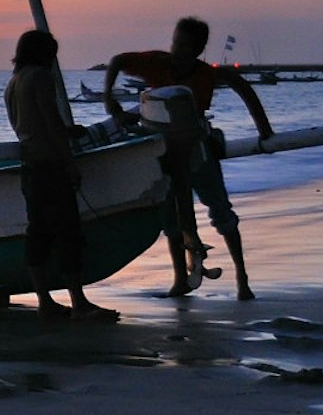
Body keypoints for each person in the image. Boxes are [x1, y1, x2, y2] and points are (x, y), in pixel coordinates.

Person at [103, 16, 274, 300]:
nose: (177, 50)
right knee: (171, 217)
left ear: (198, 49)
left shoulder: (207, 74)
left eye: (184, 45)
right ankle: (180, 278)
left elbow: (244, 88)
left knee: (221, 211)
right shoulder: (156, 63)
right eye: (175, 42)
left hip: (198, 150)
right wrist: (110, 100)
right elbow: (117, 60)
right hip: (163, 152)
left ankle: (243, 280)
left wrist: (264, 130)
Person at [4, 29, 117, 321]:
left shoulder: (13, 82)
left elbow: (28, 125)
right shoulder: (41, 78)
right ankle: (78, 302)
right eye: (52, 54)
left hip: (29, 166)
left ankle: (45, 300)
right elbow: (51, 123)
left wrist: (65, 132)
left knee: (38, 233)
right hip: (50, 166)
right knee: (68, 232)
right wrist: (69, 162)